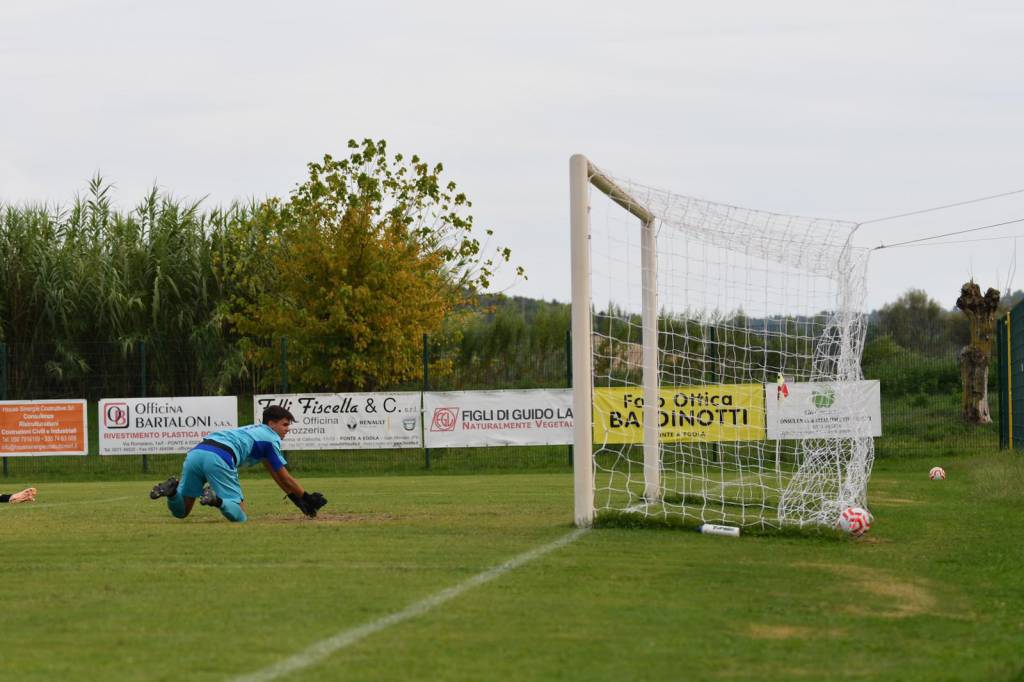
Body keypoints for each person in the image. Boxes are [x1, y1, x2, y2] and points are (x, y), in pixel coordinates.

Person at [148, 405, 326, 522]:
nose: (288, 429)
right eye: (285, 425)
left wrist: (296, 498)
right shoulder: (271, 439)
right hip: (219, 457)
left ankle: (171, 492)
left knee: (182, 511)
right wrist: (307, 497)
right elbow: (285, 476)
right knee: (240, 517)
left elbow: (276, 474)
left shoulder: (255, 431)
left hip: (196, 452)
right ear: (271, 424)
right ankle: (216, 500)